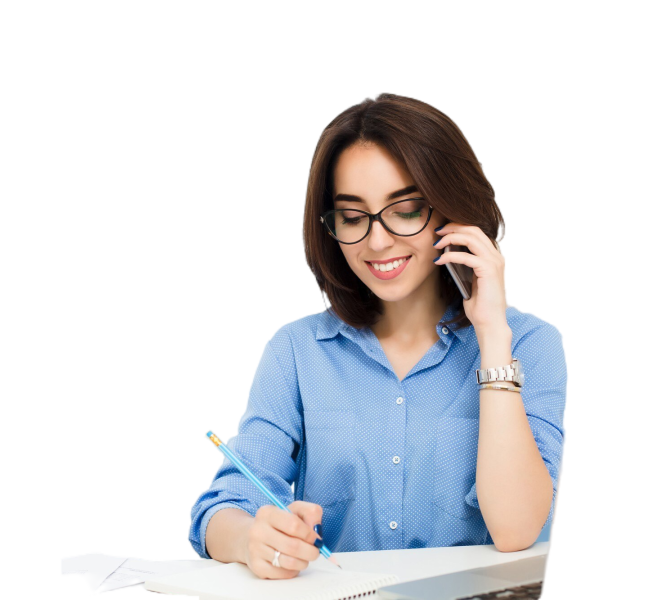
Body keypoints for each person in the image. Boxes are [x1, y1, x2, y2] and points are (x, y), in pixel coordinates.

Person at [187, 93, 568, 580]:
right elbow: (225, 506)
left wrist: (493, 333)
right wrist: (251, 538)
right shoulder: (296, 351)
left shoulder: (530, 343)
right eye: (352, 216)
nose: (378, 240)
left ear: (451, 208)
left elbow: (517, 530)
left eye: (405, 209)